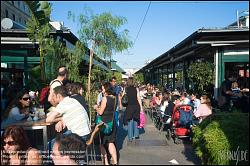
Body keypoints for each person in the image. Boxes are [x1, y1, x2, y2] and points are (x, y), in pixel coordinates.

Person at [93, 82, 118, 165]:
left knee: (102, 143)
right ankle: (115, 162)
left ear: (106, 89)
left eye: (103, 88)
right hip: (112, 122)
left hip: (103, 123)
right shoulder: (115, 97)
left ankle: (106, 162)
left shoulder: (105, 98)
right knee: (111, 142)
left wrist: (96, 107)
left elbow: (100, 112)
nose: (102, 90)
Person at [123, 77, 144, 142]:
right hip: (136, 106)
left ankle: (130, 137)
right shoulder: (136, 89)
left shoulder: (126, 89)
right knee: (136, 120)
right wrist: (141, 108)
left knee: (129, 121)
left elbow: (123, 97)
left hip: (129, 107)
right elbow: (138, 98)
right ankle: (136, 135)